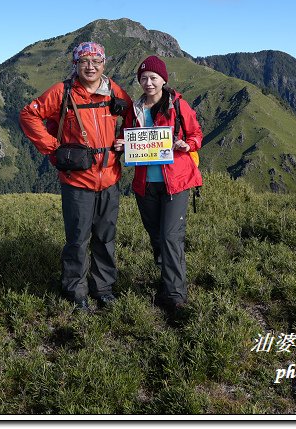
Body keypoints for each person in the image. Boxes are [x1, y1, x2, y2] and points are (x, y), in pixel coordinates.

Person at [19, 42, 133, 312]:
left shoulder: (113, 90)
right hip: (77, 180)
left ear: (104, 64)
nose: (90, 66)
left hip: (110, 177)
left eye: (96, 61)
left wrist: (124, 140)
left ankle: (103, 287)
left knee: (105, 237)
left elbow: (132, 115)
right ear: (76, 64)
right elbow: (28, 114)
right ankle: (75, 290)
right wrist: (53, 148)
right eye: (84, 62)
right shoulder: (62, 92)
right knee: (78, 238)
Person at [123, 55, 203, 314]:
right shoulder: (134, 110)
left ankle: (175, 295)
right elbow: (126, 137)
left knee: (170, 237)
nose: (148, 83)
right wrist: (122, 144)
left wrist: (187, 145)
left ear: (163, 80)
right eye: (144, 78)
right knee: (157, 236)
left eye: (153, 78)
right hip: (145, 184)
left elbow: (196, 134)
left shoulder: (178, 106)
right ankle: (167, 279)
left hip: (175, 182)